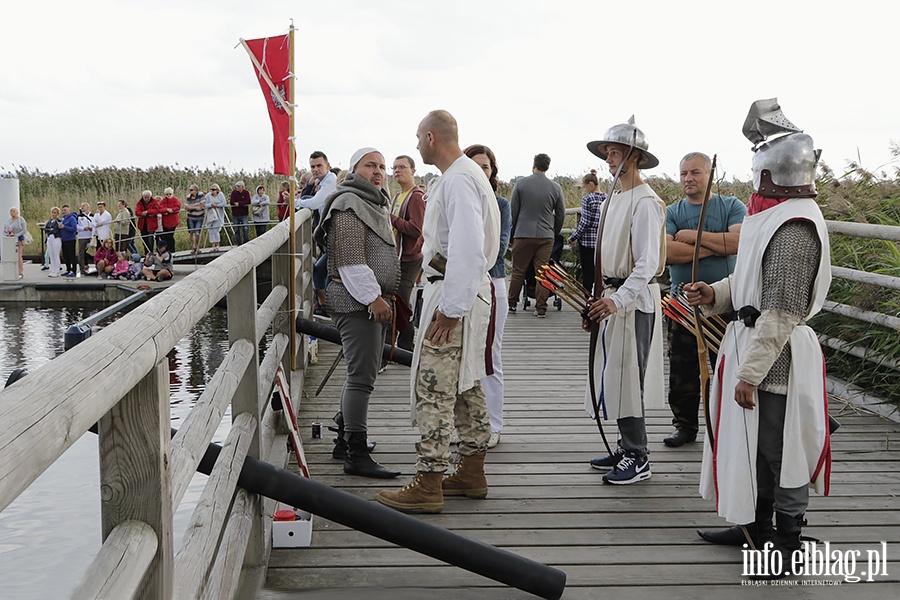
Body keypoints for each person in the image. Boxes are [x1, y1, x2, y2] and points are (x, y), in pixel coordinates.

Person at [690, 99, 832, 571]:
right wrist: (714, 292)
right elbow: (752, 284)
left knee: (779, 448)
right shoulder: (770, 215)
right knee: (751, 445)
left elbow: (780, 312)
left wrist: (749, 375)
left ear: (771, 175)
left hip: (776, 353)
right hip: (753, 342)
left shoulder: (795, 226)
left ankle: (787, 538)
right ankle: (754, 525)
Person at [377, 110, 500, 513]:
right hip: (462, 293)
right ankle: (472, 469)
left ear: (431, 137)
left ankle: (430, 480)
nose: (415, 145)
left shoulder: (461, 180)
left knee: (434, 386)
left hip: (454, 295)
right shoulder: (463, 176)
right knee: (466, 382)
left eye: (417, 138)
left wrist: (450, 310)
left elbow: (466, 247)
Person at [583, 117, 666, 485]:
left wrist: (617, 300)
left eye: (614, 153)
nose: (609, 161)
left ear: (633, 157)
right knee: (613, 371)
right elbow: (604, 254)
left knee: (628, 375)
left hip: (633, 300)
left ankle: (638, 455)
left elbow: (647, 263)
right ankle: (625, 445)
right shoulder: (613, 199)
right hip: (613, 295)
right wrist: (598, 297)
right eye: (607, 153)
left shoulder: (647, 202)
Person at [313, 147, 401, 479]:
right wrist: (373, 297)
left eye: (381, 166)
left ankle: (343, 436)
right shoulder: (348, 203)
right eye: (370, 166)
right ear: (354, 170)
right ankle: (356, 453)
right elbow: (350, 260)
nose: (377, 171)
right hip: (356, 301)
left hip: (369, 300)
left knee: (365, 372)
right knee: (361, 377)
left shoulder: (372, 203)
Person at [662, 152, 746, 448]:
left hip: (725, 303)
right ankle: (684, 426)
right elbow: (668, 253)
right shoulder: (672, 212)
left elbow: (738, 243)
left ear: (710, 174)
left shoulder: (731, 206)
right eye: (684, 173)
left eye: (695, 172)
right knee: (682, 370)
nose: (688, 178)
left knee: (726, 365)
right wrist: (715, 246)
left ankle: (730, 425)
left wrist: (692, 237)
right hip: (681, 304)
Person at [465, 144, 512, 450]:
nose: (481, 170)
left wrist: (468, 262)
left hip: (491, 282)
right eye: (475, 165)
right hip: (460, 285)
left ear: (493, 171)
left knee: (488, 354)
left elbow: (501, 247)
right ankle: (468, 423)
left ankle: (493, 423)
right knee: (463, 354)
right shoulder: (459, 198)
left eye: (485, 166)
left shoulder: (501, 204)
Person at [507, 153, 566, 317]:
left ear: (534, 164)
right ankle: (541, 308)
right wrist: (553, 232)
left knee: (518, 271)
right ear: (547, 167)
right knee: (542, 273)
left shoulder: (521, 184)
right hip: (545, 235)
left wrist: (512, 235)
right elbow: (560, 213)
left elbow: (513, 212)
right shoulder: (555, 188)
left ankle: (512, 303)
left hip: (523, 234)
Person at [386, 154, 426, 353]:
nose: (397, 171)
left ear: (413, 171)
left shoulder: (416, 196)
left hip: (409, 258)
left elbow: (416, 229)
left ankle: (402, 348)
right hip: (397, 256)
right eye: (394, 168)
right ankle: (403, 347)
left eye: (402, 167)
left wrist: (391, 218)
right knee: (397, 301)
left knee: (399, 302)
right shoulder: (397, 196)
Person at [298, 152, 338, 315]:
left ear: (328, 166)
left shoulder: (330, 181)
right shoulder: (322, 182)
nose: (315, 169)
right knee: (319, 270)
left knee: (325, 272)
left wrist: (295, 202)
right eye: (312, 166)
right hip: (329, 238)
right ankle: (324, 307)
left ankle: (329, 310)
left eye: (319, 166)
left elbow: (315, 203)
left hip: (336, 238)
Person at [568, 170, 606, 292]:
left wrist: (573, 237)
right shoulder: (607, 198)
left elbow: (584, 222)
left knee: (588, 273)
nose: (584, 189)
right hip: (603, 241)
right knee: (600, 273)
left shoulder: (587, 199)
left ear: (590, 184)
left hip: (587, 242)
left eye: (584, 186)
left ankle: (588, 301)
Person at [3, 207, 27, 278]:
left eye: (13, 211)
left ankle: (20, 272)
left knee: (18, 255)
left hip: (18, 240)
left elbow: (24, 230)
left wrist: (16, 235)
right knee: (10, 256)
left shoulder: (20, 219)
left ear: (17, 212)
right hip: (9, 241)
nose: (12, 212)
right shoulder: (8, 221)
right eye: (10, 211)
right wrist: (7, 234)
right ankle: (10, 271)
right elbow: (5, 230)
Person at [183, 185, 206, 254]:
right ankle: (193, 247)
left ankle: (197, 246)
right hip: (190, 217)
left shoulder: (201, 195)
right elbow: (186, 207)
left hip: (199, 217)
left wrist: (191, 207)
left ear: (196, 190)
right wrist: (195, 207)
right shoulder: (188, 197)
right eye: (190, 190)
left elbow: (202, 205)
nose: (190, 191)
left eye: (191, 190)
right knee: (191, 233)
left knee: (197, 233)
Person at [158, 187, 181, 252]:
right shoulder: (163, 201)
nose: (168, 196)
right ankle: (167, 250)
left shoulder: (175, 200)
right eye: (167, 194)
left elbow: (177, 207)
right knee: (165, 237)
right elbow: (160, 209)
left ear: (172, 194)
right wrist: (167, 210)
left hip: (173, 222)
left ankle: (172, 250)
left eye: (170, 194)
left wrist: (172, 210)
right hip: (165, 223)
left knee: (170, 236)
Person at [204, 184, 227, 249]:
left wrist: (217, 205)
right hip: (210, 215)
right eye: (211, 189)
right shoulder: (208, 196)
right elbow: (204, 204)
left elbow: (224, 203)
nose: (212, 191)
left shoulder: (221, 195)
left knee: (216, 229)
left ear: (217, 190)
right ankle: (213, 245)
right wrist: (211, 204)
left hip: (219, 214)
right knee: (210, 230)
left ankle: (217, 244)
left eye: (214, 190)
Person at [229, 181, 251, 245]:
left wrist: (239, 203)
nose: (237, 188)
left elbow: (248, 201)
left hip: (244, 214)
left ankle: (246, 241)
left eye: (239, 186)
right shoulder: (233, 193)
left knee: (245, 228)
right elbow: (231, 202)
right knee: (236, 229)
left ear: (242, 187)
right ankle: (239, 243)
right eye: (237, 186)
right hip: (235, 214)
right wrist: (241, 203)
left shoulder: (246, 193)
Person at [59, 204, 78, 277]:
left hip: (70, 239)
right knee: (65, 255)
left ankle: (74, 270)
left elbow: (74, 229)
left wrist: (64, 227)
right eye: (63, 210)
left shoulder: (72, 218)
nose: (64, 212)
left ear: (69, 210)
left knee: (71, 255)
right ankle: (68, 269)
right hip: (64, 239)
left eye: (65, 210)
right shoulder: (63, 218)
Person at [76, 202, 95, 275]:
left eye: (84, 206)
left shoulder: (93, 216)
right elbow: (76, 226)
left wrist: (92, 229)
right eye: (82, 206)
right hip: (82, 236)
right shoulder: (79, 216)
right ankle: (82, 268)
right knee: (81, 253)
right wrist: (83, 228)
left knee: (88, 252)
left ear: (88, 207)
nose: (82, 207)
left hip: (90, 236)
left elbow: (95, 225)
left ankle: (91, 263)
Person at [44, 207, 63, 277]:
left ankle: (57, 271)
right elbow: (45, 229)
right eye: (52, 213)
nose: (53, 214)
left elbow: (55, 230)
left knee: (56, 255)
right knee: (51, 255)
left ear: (58, 214)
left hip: (56, 239)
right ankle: (53, 270)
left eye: (55, 213)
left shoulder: (59, 221)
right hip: (50, 239)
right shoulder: (49, 221)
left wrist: (50, 230)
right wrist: (49, 230)